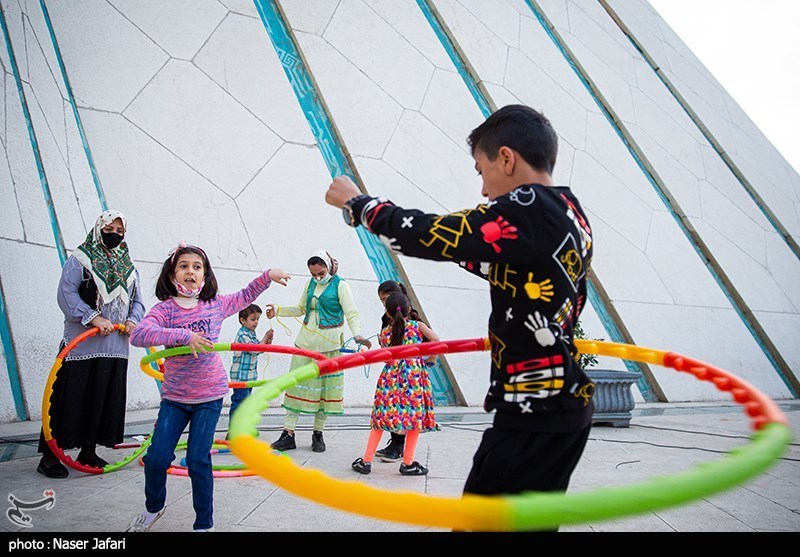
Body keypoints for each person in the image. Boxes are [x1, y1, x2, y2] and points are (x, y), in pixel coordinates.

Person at [326, 104, 595, 531]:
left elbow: (427, 233)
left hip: (535, 410)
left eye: (481, 170)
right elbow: (493, 259)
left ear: (506, 159)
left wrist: (358, 204)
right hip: (559, 407)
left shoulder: (525, 206)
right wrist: (458, 247)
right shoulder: (570, 214)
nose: (485, 190)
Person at [126, 243, 289, 532]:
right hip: (175, 397)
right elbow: (139, 334)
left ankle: (204, 524)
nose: (191, 271)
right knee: (156, 458)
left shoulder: (214, 305)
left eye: (197, 267)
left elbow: (245, 296)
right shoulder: (164, 309)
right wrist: (183, 336)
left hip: (209, 396)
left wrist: (267, 276)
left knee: (198, 459)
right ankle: (154, 507)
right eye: (184, 266)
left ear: (205, 275)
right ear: (173, 273)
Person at [37, 209, 145, 479]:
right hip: (80, 347)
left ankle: (88, 450)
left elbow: (138, 302)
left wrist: (132, 321)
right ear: (99, 228)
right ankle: (51, 456)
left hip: (115, 348)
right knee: (68, 398)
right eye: (110, 229)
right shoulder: (80, 259)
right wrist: (93, 317)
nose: (115, 235)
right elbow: (66, 293)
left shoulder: (129, 267)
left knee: (101, 399)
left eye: (120, 232)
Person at [267, 250, 372, 453]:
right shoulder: (310, 284)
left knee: (324, 391)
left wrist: (358, 335)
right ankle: (288, 433)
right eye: (313, 273)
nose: (317, 277)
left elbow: (352, 313)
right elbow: (300, 309)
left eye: (320, 273)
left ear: (329, 267)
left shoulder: (341, 286)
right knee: (296, 386)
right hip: (305, 343)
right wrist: (278, 310)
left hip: (329, 347)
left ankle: (318, 434)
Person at [351, 291, 440, 476]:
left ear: (388, 313)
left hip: (390, 380)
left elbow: (387, 359)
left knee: (381, 418)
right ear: (408, 308)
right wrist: (431, 358)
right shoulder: (418, 326)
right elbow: (436, 339)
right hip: (414, 378)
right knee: (414, 420)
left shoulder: (385, 333)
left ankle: (366, 461)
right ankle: (408, 463)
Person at [373, 280, 434, 463]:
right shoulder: (387, 317)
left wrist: (431, 359)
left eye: (386, 299)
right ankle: (397, 445)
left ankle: (399, 447)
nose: (384, 303)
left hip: (410, 371)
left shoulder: (412, 317)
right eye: (382, 300)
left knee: (404, 409)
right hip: (395, 372)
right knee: (393, 406)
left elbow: (432, 339)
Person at [228, 304, 274, 428]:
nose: (256, 322)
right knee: (239, 403)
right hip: (241, 377)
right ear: (242, 320)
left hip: (249, 376)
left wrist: (266, 343)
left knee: (246, 403)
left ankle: (243, 428)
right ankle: (233, 431)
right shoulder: (243, 334)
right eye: (253, 319)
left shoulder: (251, 333)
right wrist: (265, 338)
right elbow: (254, 349)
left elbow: (258, 348)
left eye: (258, 319)